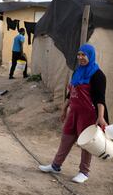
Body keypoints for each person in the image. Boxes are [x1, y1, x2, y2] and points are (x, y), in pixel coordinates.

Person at [39, 44, 108, 183]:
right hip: (74, 113)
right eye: (79, 54)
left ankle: (84, 172)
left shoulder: (98, 75)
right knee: (66, 139)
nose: (81, 58)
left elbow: (101, 99)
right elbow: (71, 93)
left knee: (86, 144)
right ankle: (55, 166)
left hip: (89, 115)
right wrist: (65, 109)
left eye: (84, 55)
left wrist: (101, 117)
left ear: (91, 56)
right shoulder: (77, 71)